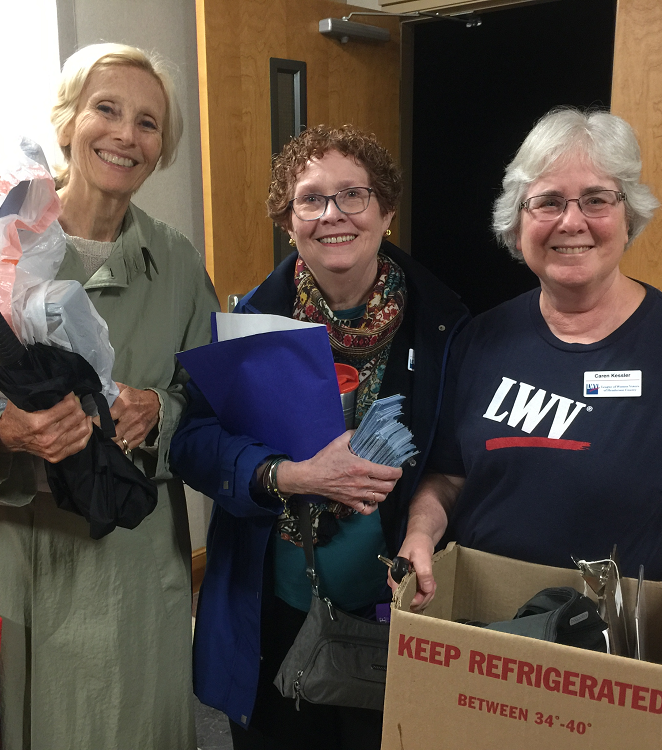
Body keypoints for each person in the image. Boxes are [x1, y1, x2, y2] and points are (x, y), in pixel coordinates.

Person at [0, 43, 220, 749]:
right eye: (107, 109)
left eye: (148, 124)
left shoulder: (177, 261)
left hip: (130, 570)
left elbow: (213, 403)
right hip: (5, 563)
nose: (126, 134)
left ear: (161, 151)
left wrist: (156, 412)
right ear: (66, 124)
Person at [394, 108, 662, 673]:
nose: (572, 222)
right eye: (548, 201)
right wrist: (420, 534)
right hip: (485, 634)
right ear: (518, 223)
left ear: (628, 214)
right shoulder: (478, 341)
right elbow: (446, 478)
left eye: (596, 199)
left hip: (621, 647)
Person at [170, 125, 470, 749]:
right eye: (311, 199)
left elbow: (454, 460)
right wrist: (289, 475)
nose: (332, 214)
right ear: (288, 219)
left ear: (386, 210)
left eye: (353, 195)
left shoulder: (446, 325)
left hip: (396, 608)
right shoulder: (247, 323)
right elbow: (193, 442)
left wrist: (421, 529)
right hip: (273, 609)